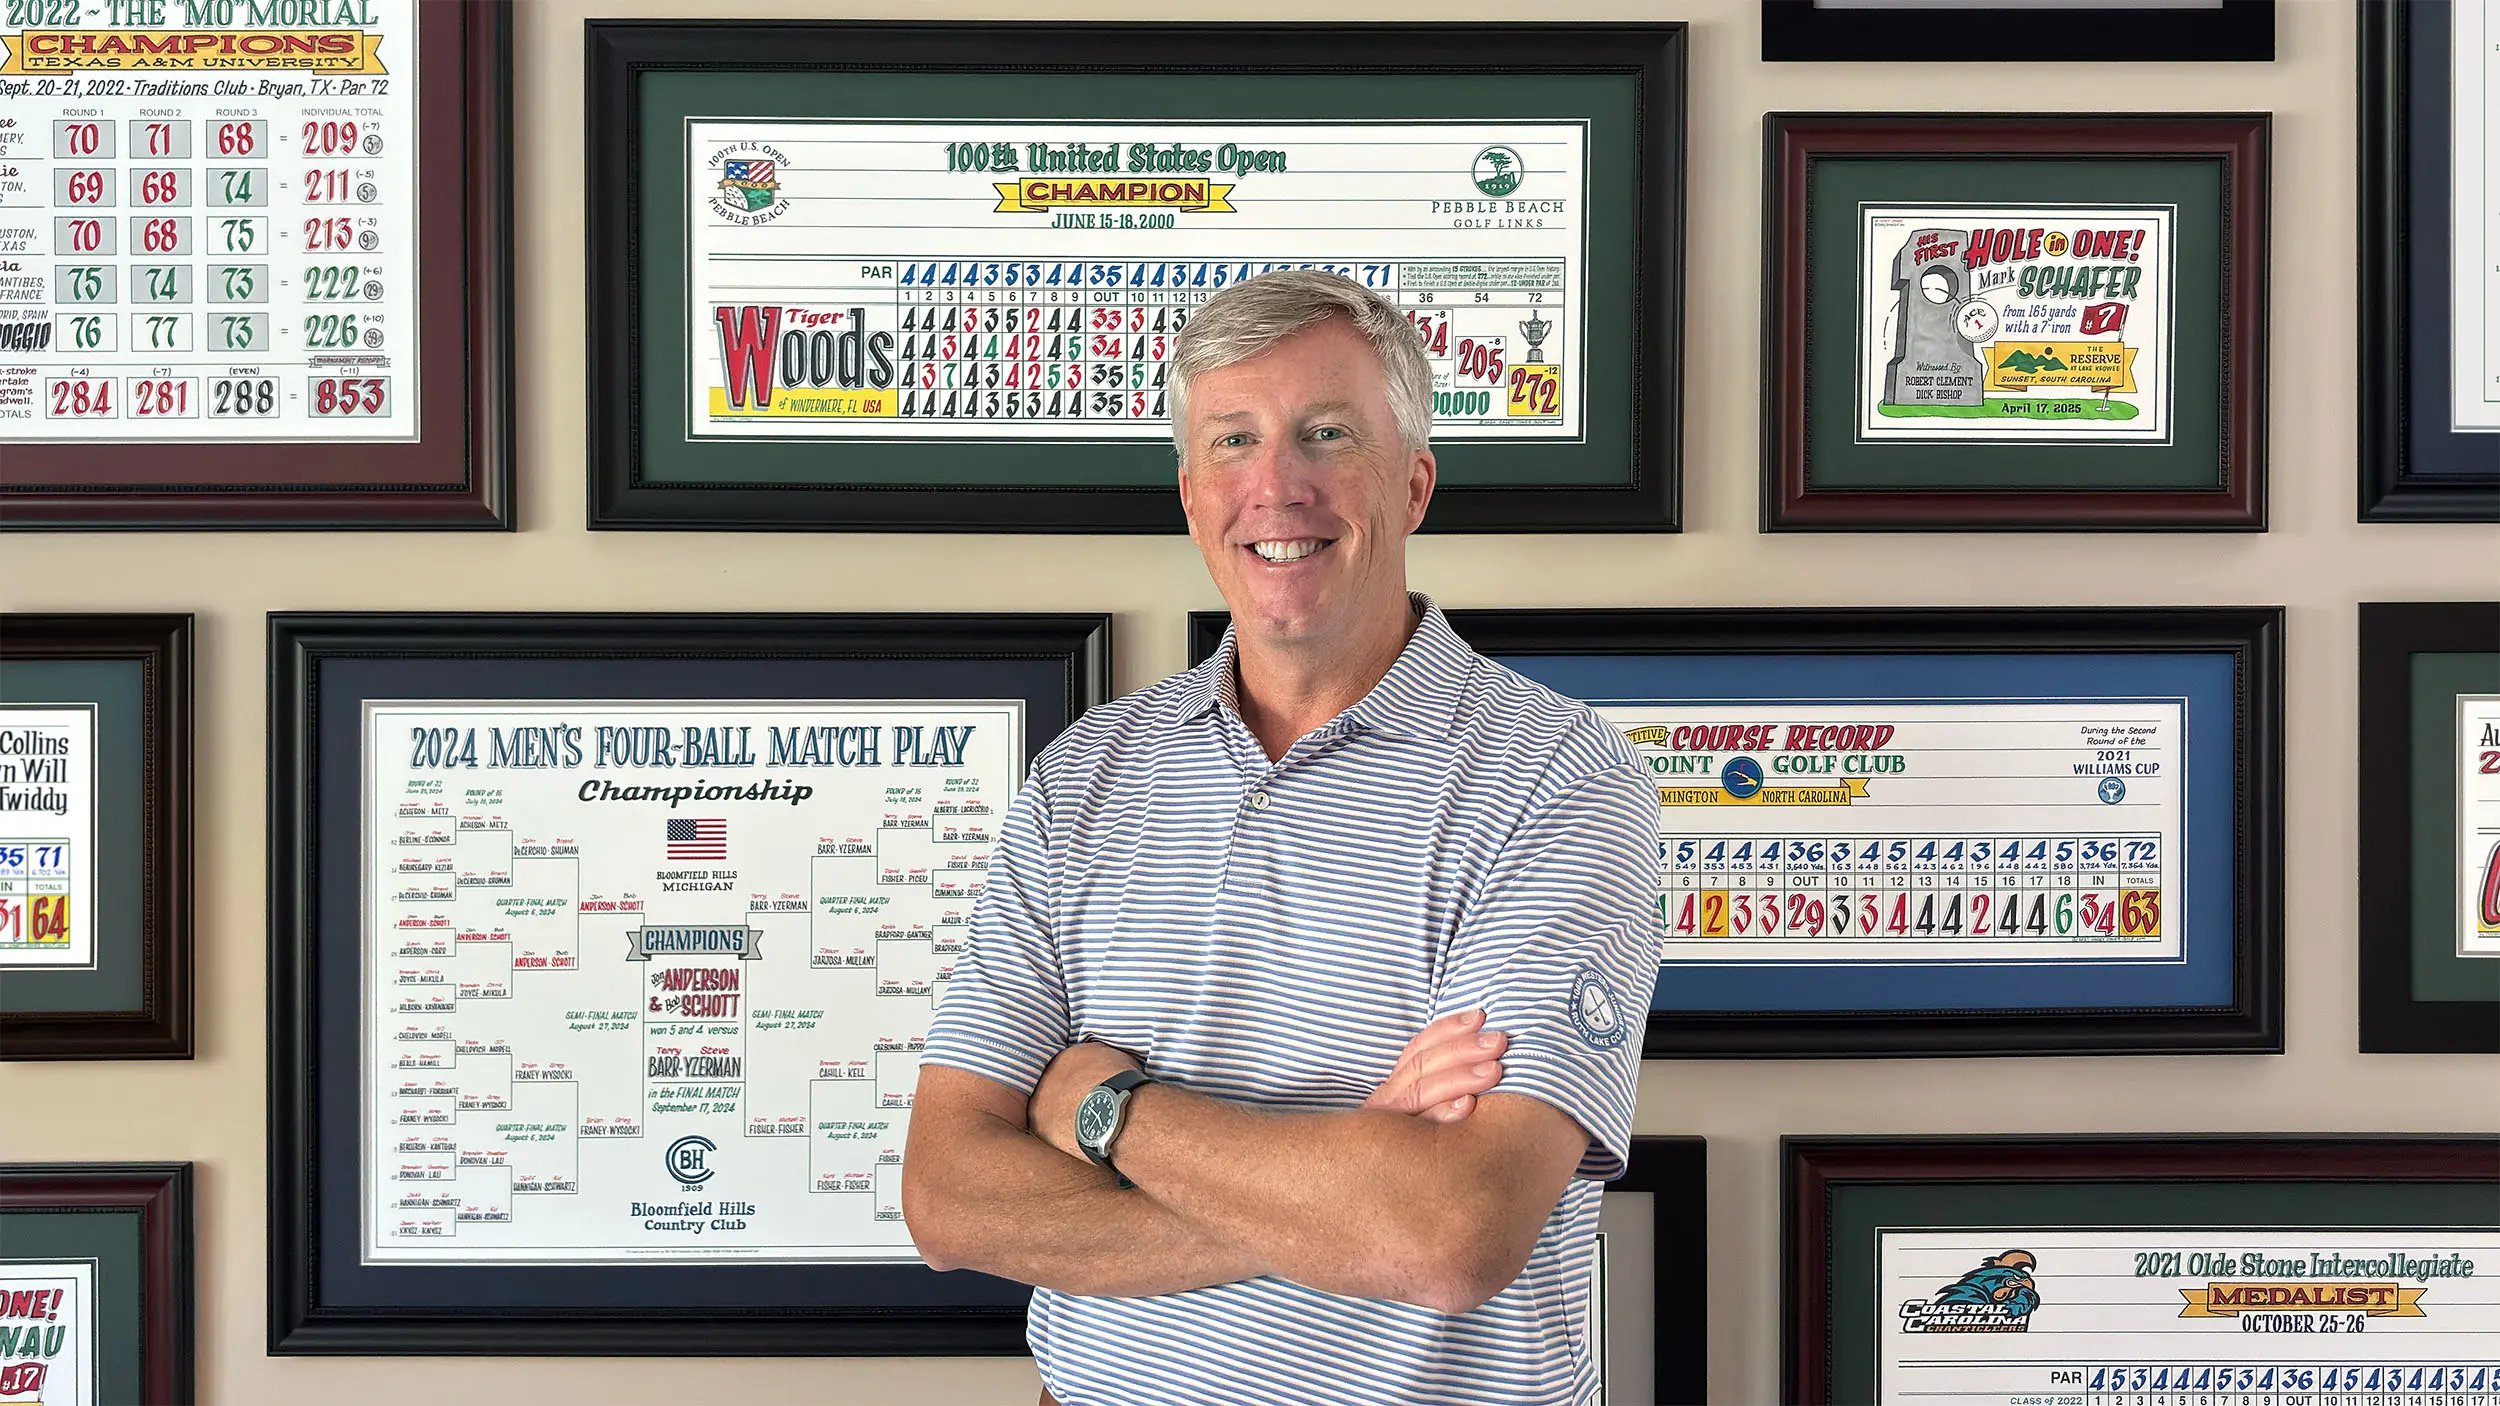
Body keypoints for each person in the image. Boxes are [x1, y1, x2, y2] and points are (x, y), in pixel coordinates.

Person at [903, 269, 1661, 1406]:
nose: (1276, 485)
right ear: (1188, 492)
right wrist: (1343, 1185)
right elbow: (949, 1197)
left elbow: (1452, 1231)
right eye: (1232, 441)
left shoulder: (1557, 778)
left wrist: (1105, 1112)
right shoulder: (1085, 778)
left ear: (1412, 484)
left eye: (1326, 433)